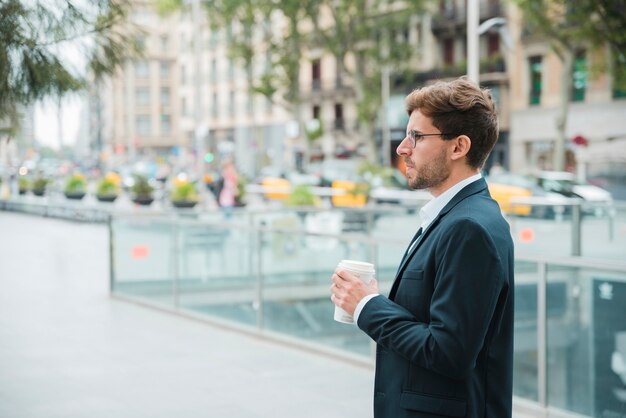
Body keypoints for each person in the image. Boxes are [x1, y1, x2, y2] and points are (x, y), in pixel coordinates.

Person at [330, 77, 514, 418]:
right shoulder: (456, 216)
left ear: (458, 147)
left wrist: (367, 306)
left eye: (417, 136)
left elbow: (449, 352)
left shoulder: (468, 228)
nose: (402, 147)